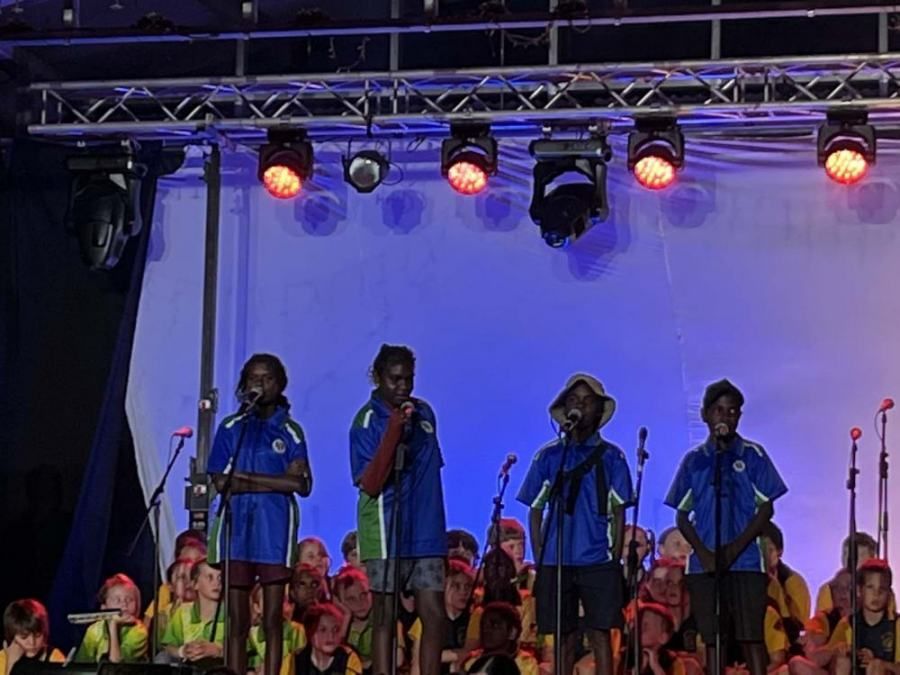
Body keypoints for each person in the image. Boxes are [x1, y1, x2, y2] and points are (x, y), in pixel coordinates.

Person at [664, 379, 788, 675]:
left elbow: (766, 508)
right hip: (705, 565)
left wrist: (735, 548)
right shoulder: (695, 461)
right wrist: (704, 553)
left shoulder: (752, 455)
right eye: (719, 410)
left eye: (732, 411)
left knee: (751, 636)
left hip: (746, 562)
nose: (726, 417)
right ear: (706, 415)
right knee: (713, 639)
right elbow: (681, 515)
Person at [516, 373, 634, 675]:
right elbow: (535, 508)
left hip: (598, 559)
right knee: (561, 636)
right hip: (556, 561)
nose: (579, 406)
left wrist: (615, 556)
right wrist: (542, 555)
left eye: (586, 401)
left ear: (598, 409)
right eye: (573, 400)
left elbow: (619, 512)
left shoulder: (612, 457)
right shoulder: (549, 456)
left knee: (600, 634)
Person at [207, 353, 313, 675]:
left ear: (279, 384)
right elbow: (221, 482)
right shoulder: (231, 428)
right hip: (237, 529)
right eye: (254, 378)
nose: (260, 385)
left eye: (266, 379)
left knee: (271, 620)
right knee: (237, 618)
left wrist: (248, 480)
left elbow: (301, 484)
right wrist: (275, 482)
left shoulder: (290, 431)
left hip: (274, 531)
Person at [349, 344, 447, 675]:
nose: (403, 386)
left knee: (433, 612)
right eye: (394, 379)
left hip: (426, 528)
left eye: (408, 378)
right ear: (377, 378)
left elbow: (433, 466)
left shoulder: (425, 414)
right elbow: (371, 482)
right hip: (385, 525)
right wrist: (393, 430)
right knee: (386, 615)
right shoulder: (366, 421)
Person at [831, 559, 900, 675]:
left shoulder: (897, 624)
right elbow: (823, 658)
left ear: (889, 592)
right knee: (842, 662)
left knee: (876, 667)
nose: (876, 594)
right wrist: (839, 649)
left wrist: (881, 663)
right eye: (870, 587)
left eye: (882, 589)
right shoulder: (847, 623)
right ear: (859, 590)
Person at [408, 559, 476, 675]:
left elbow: (474, 652)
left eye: (467, 587)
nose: (463, 592)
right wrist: (454, 656)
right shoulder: (427, 619)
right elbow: (418, 661)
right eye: (456, 586)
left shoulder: (473, 619)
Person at [159, 558, 225, 665]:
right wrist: (183, 651)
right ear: (195, 584)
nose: (217, 583)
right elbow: (169, 646)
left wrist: (218, 650)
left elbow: (243, 648)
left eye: (220, 578)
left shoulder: (231, 613)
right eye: (210, 577)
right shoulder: (183, 612)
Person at [75, 573, 148, 663]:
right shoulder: (93, 631)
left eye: (129, 599)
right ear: (104, 607)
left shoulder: (139, 631)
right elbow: (82, 664)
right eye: (117, 600)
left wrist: (113, 625)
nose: (124, 604)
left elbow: (116, 665)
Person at [761, 522, 811, 651]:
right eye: (761, 551)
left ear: (780, 552)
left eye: (770, 550)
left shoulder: (794, 582)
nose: (764, 556)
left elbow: (798, 628)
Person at [462, 602, 539, 675]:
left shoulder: (527, 664)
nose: (486, 630)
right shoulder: (471, 661)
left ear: (512, 632)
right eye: (483, 626)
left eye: (494, 625)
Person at [248, 583, 306, 675]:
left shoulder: (296, 630)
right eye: (268, 599)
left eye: (280, 599)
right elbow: (249, 660)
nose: (274, 604)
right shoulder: (252, 634)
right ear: (257, 607)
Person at [292, 603, 363, 675]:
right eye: (323, 630)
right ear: (310, 633)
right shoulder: (295, 659)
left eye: (335, 630)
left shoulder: (349, 659)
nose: (330, 636)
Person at [816, 534, 878, 613]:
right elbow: (822, 621)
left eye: (858, 555)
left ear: (871, 558)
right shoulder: (829, 589)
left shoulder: (881, 590)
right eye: (845, 553)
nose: (848, 559)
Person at [1, 599, 64, 675]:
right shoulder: (3, 658)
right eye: (24, 637)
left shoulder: (54, 656)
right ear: (12, 636)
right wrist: (10, 663)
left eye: (38, 635)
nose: (32, 642)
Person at [332, 567, 375, 672]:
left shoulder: (383, 622)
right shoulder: (336, 626)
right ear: (338, 601)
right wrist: (347, 616)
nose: (360, 603)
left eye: (364, 595)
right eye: (351, 599)